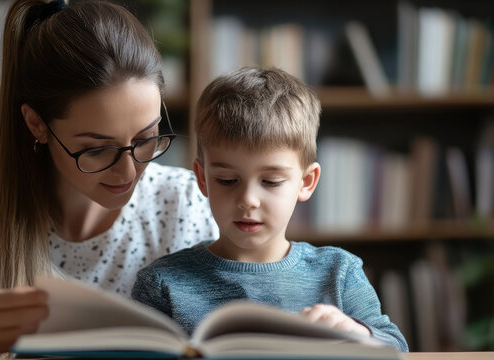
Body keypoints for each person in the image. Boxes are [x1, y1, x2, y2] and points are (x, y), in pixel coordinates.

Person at [0, 1, 218, 359]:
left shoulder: (183, 202)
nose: (128, 171)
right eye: (96, 149)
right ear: (36, 124)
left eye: (145, 138)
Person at [131, 66, 408, 352]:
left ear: (306, 182)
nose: (248, 200)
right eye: (227, 180)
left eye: (271, 181)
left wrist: (355, 331)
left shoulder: (339, 273)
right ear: (202, 179)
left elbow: (397, 348)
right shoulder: (162, 283)